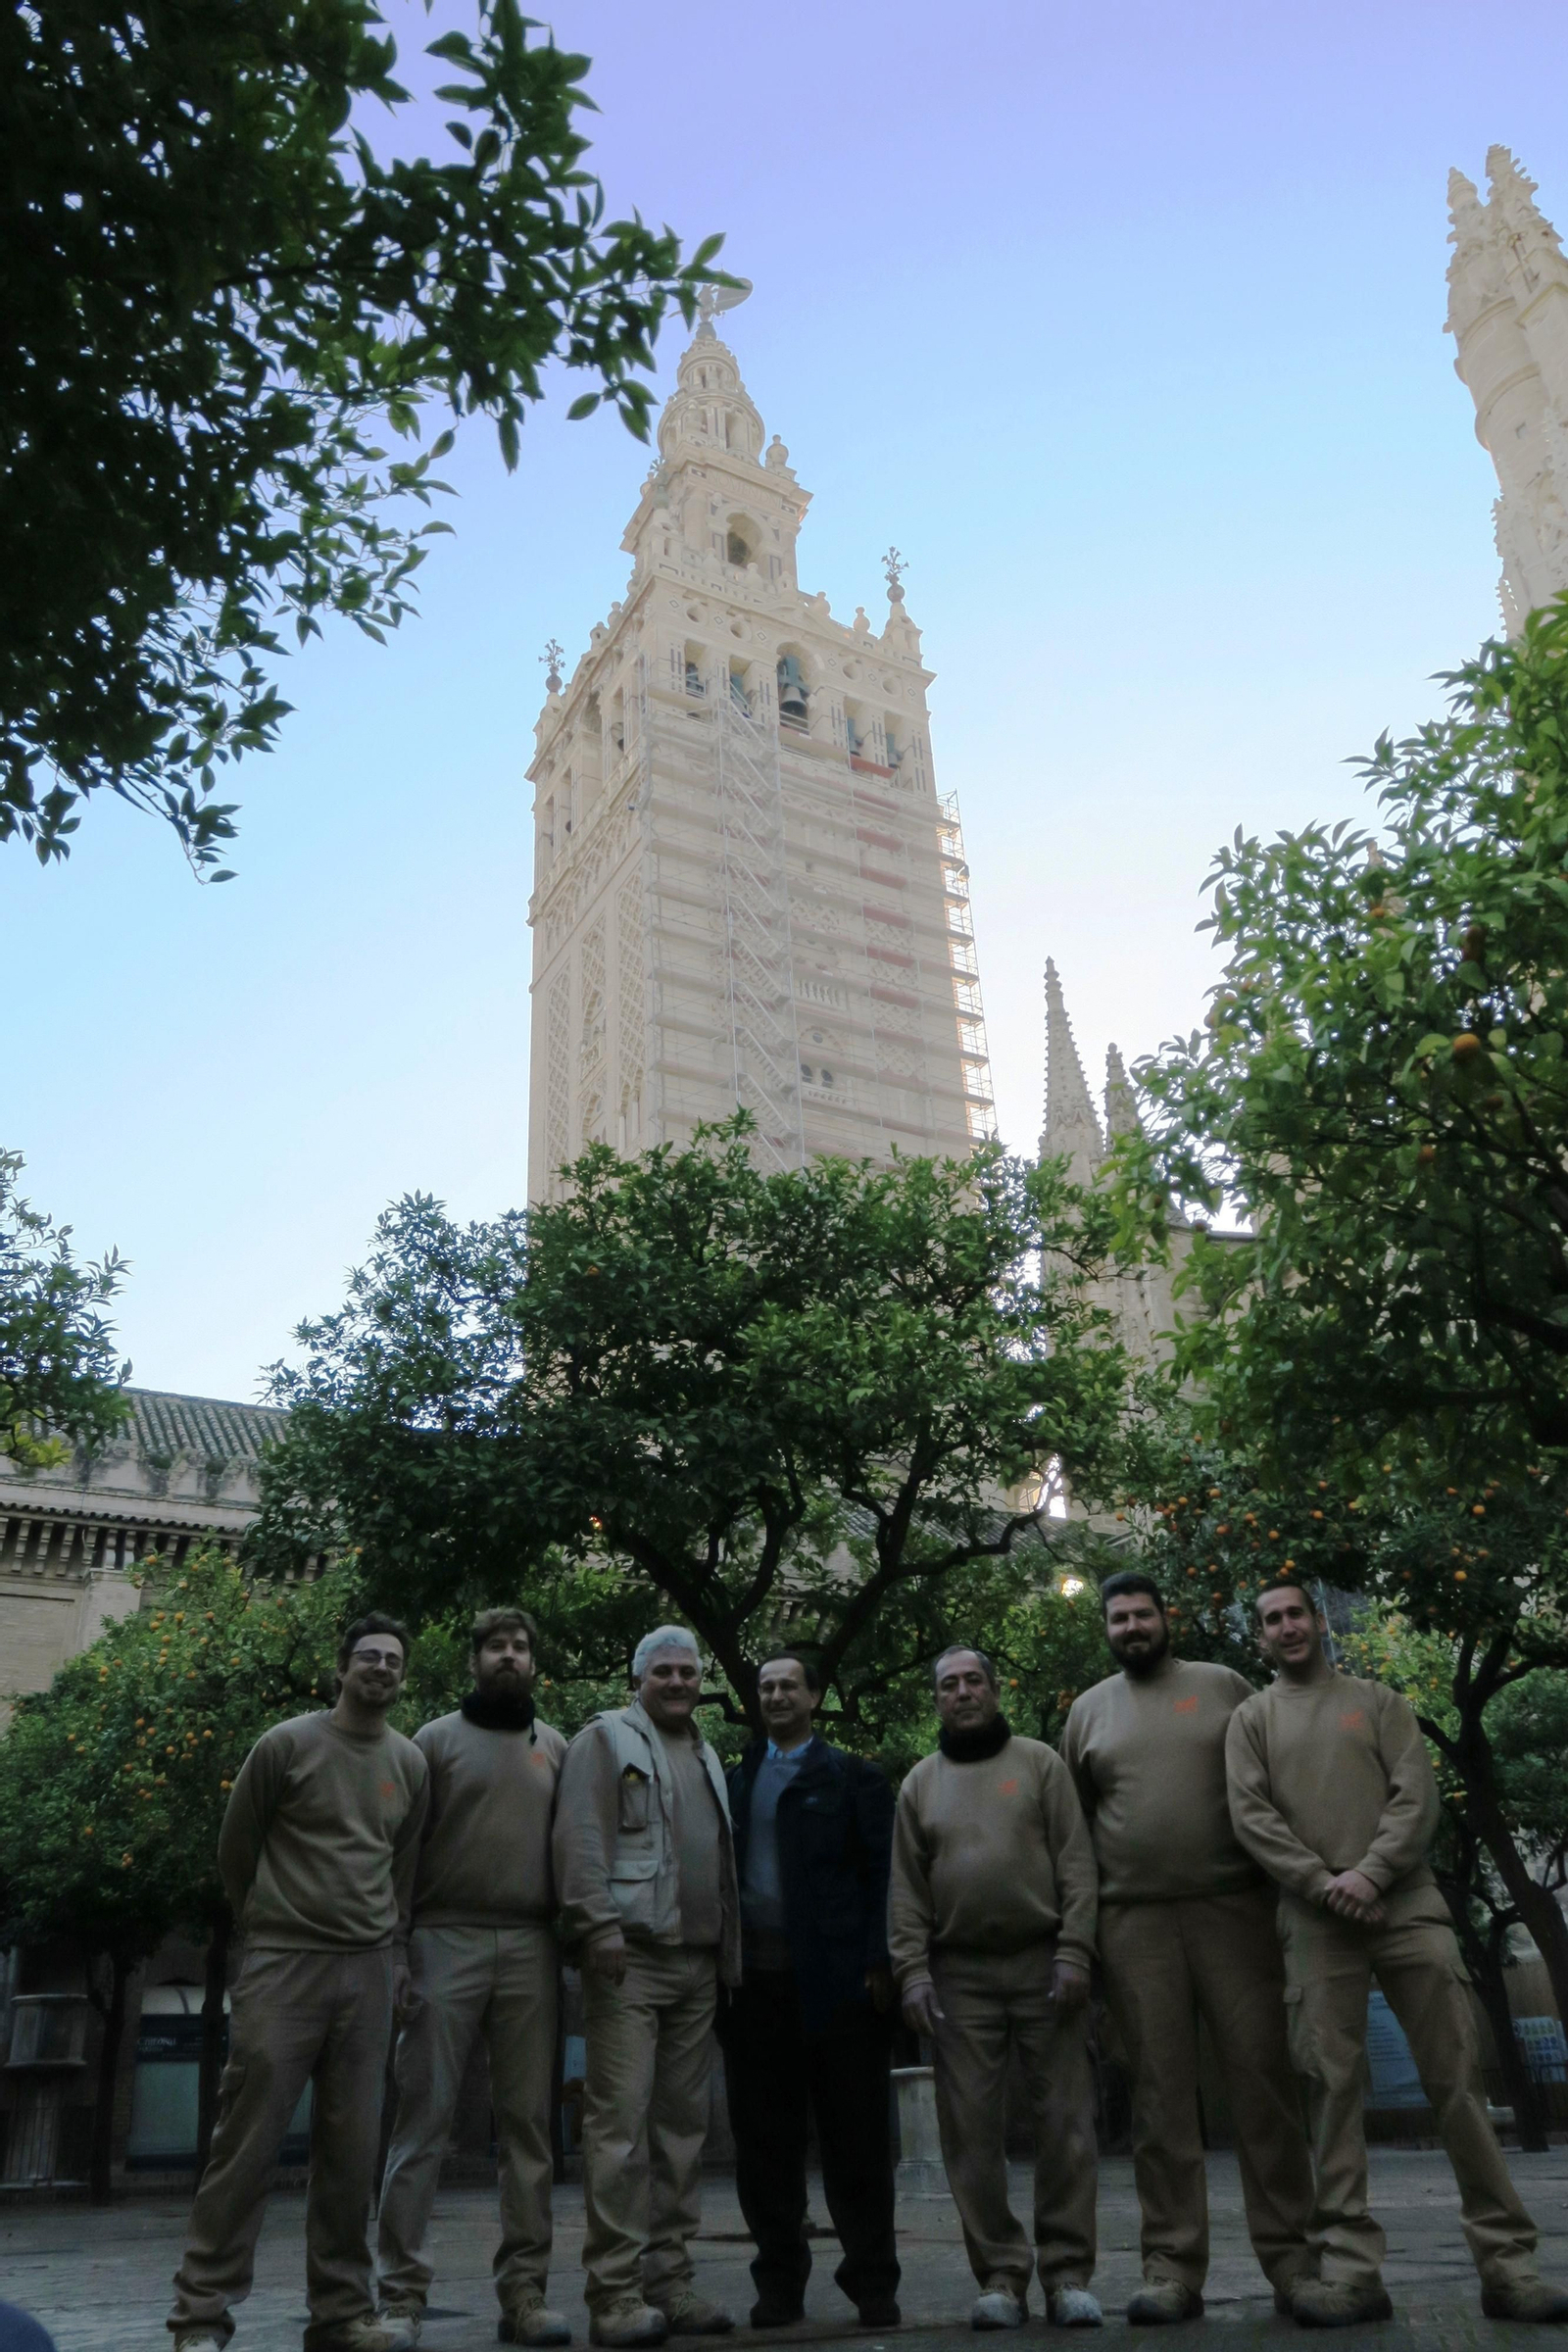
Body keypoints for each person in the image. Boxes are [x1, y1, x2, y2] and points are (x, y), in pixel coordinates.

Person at [1226, 1576, 1568, 2329]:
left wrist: (1370, 1872)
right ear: (1260, 1638)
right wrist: (1325, 1884)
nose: (1285, 1627)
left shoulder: (1378, 1702)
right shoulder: (1251, 1720)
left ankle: (1509, 2266)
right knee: (1332, 2090)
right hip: (1315, 1919)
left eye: (1295, 1614)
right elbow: (1252, 1818)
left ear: (1318, 1621)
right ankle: (1350, 2273)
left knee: (1457, 2084)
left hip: (1408, 1905)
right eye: (1270, 1620)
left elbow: (1416, 1795)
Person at [168, 1613, 429, 2352]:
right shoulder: (285, 1745)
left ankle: (343, 2314)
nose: (381, 1668)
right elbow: (236, 1847)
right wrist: (265, 1922)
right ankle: (200, 2318)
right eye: (368, 1657)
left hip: (371, 1970)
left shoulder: (409, 1763)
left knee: (351, 2158)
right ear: (340, 1668)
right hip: (284, 1964)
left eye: (393, 1661)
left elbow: (401, 1871)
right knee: (244, 2148)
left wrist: (396, 1952)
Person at [1060, 1571, 1314, 2324]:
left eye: (1143, 1614)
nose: (1133, 1627)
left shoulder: (1223, 1686)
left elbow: (1268, 1784)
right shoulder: (1086, 1713)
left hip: (1234, 1912)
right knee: (1159, 2100)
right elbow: (1074, 1832)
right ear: (1106, 1630)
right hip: (1133, 1925)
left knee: (1263, 2087)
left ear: (1165, 1619)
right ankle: (1172, 2268)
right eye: (1119, 1619)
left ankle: (1296, 2262)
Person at [889, 1645, 1101, 2331]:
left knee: (1064, 2125)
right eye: (948, 1685)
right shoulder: (919, 1783)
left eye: (973, 1680)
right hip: (961, 1979)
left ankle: (1068, 2275)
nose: (962, 1693)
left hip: (1046, 1967)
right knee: (970, 2135)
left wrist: (1075, 1950)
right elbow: (906, 1892)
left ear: (995, 1689)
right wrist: (912, 1971)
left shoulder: (1042, 1764)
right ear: (936, 1701)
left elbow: (1076, 1864)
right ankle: (1001, 2276)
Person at [376, 1606, 569, 2348]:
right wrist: (397, 1948)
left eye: (521, 1647)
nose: (510, 1657)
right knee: (421, 2122)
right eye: (496, 1646)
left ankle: (525, 2296)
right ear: (473, 1660)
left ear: (532, 1662)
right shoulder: (431, 1744)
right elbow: (402, 1853)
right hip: (442, 1938)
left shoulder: (556, 1746)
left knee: (528, 2129)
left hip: (531, 1944)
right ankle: (400, 2298)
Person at [553, 1627, 741, 2348]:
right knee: (619, 2130)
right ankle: (615, 2293)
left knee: (682, 2134)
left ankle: (672, 2281)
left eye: (687, 1670)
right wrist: (596, 1926)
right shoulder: (604, 1740)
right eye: (662, 1670)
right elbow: (580, 1838)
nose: (677, 1681)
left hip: (698, 1965)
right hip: (628, 1960)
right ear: (637, 1679)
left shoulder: (705, 1750)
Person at [719, 1650, 901, 2331]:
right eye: (765, 1687)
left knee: (856, 2143)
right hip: (755, 1987)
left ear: (816, 1697)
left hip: (840, 1987)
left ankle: (874, 2284)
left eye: (789, 1685)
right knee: (765, 2145)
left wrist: (881, 1959)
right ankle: (779, 2286)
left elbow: (885, 1875)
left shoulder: (853, 1778)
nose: (776, 1696)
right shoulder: (735, 1779)